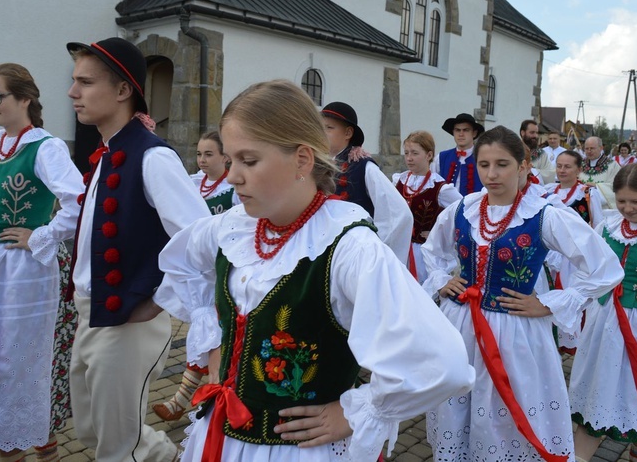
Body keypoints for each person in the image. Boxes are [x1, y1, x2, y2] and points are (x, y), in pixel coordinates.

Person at [135, 79, 475, 462]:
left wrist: (362, 409)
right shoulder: (233, 227)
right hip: (223, 438)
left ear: (302, 159)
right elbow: (182, 265)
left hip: (302, 451)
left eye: (249, 161)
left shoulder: (348, 246)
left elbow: (443, 363)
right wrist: (214, 338)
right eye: (230, 161)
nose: (232, 177)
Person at [421, 126, 623, 462]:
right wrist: (443, 278)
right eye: (484, 165)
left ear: (523, 167)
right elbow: (433, 250)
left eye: (502, 164)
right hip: (460, 327)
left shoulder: (543, 215)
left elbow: (605, 268)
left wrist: (549, 302)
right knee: (457, 405)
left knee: (504, 410)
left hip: (513, 333)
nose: (492, 173)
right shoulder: (463, 208)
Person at [65, 37, 210, 462]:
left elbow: (201, 239)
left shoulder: (152, 157)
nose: (73, 92)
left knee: (116, 446)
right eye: (75, 81)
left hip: (128, 318)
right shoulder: (109, 153)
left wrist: (160, 298)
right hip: (91, 311)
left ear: (124, 90)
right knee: (91, 428)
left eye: (85, 82)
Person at [0, 63, 84, 461]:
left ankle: (35, 440)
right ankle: (10, 440)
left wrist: (39, 234)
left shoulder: (46, 147)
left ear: (24, 99)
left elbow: (78, 202)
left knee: (20, 356)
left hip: (28, 270)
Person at [569, 163, 637, 462]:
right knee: (599, 398)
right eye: (622, 200)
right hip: (605, 325)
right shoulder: (608, 226)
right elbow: (587, 268)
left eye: (636, 201)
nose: (627, 208)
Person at [152, 131, 240, 423]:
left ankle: (195, 397)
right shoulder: (191, 184)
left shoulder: (234, 188)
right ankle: (187, 399)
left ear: (225, 157)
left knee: (217, 334)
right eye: (199, 154)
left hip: (225, 270)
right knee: (206, 331)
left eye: (209, 154)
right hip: (200, 271)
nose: (202, 160)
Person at [321, 101, 412, 263]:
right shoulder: (321, 166)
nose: (322, 133)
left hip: (354, 255)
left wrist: (375, 249)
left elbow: (399, 213)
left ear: (348, 133)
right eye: (321, 128)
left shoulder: (364, 166)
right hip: (328, 253)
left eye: (329, 128)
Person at [392, 131, 462, 281]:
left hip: (422, 254)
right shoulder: (398, 181)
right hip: (399, 249)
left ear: (429, 155)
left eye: (415, 153)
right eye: (406, 153)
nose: (409, 158)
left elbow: (464, 211)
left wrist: (439, 233)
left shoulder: (440, 188)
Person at [545, 150, 605, 227]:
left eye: (567, 167)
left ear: (579, 170)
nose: (562, 170)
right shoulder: (548, 190)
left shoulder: (588, 193)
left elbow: (598, 224)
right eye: (559, 166)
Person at [432, 112, 485, 196]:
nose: (461, 134)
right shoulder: (441, 157)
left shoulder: (483, 158)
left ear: (474, 133)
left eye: (466, 130)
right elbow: (432, 184)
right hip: (446, 208)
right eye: (457, 130)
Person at [580, 136, 621, 209]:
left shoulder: (612, 165)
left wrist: (597, 186)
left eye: (592, 148)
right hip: (581, 206)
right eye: (586, 149)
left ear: (601, 148)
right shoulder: (579, 164)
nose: (589, 151)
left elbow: (618, 186)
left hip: (603, 209)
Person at [519, 119, 555, 184]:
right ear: (523, 133)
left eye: (536, 133)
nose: (535, 136)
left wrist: (532, 171)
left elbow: (550, 173)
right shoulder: (513, 150)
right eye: (532, 132)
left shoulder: (540, 153)